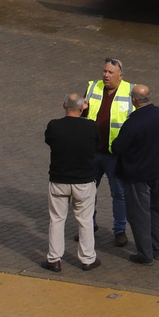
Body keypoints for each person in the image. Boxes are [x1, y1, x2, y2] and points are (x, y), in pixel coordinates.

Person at [43, 92, 99, 272]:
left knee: (57, 220)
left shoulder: (54, 126)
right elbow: (96, 143)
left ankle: (54, 259)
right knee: (85, 221)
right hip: (84, 181)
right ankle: (87, 258)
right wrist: (86, 111)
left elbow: (49, 141)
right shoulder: (91, 126)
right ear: (83, 108)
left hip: (59, 180)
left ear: (63, 105)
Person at [112, 85, 159, 265]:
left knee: (139, 215)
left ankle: (145, 254)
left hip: (137, 175)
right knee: (155, 210)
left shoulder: (133, 122)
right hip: (158, 171)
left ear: (133, 100)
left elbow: (118, 147)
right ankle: (157, 249)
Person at [85, 57, 132, 247]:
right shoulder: (93, 87)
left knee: (119, 194)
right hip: (93, 152)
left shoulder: (130, 91)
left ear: (120, 75)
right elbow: (83, 113)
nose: (105, 75)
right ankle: (88, 227)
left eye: (110, 72)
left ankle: (120, 230)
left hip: (115, 155)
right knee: (87, 193)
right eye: (104, 71)